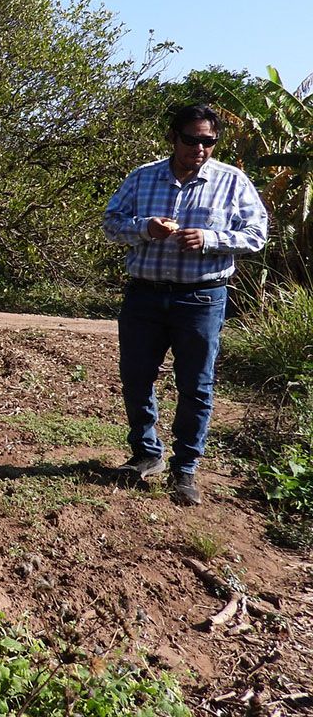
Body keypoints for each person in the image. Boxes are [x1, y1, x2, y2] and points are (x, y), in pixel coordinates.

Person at [102, 102, 267, 506]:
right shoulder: (142, 178)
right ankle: (146, 453)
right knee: (137, 376)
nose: (200, 147)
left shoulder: (232, 182)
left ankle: (185, 469)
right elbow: (111, 223)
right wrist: (144, 229)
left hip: (202, 296)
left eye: (209, 140)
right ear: (173, 137)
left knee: (196, 385)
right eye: (192, 139)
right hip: (144, 293)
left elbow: (257, 233)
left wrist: (210, 240)